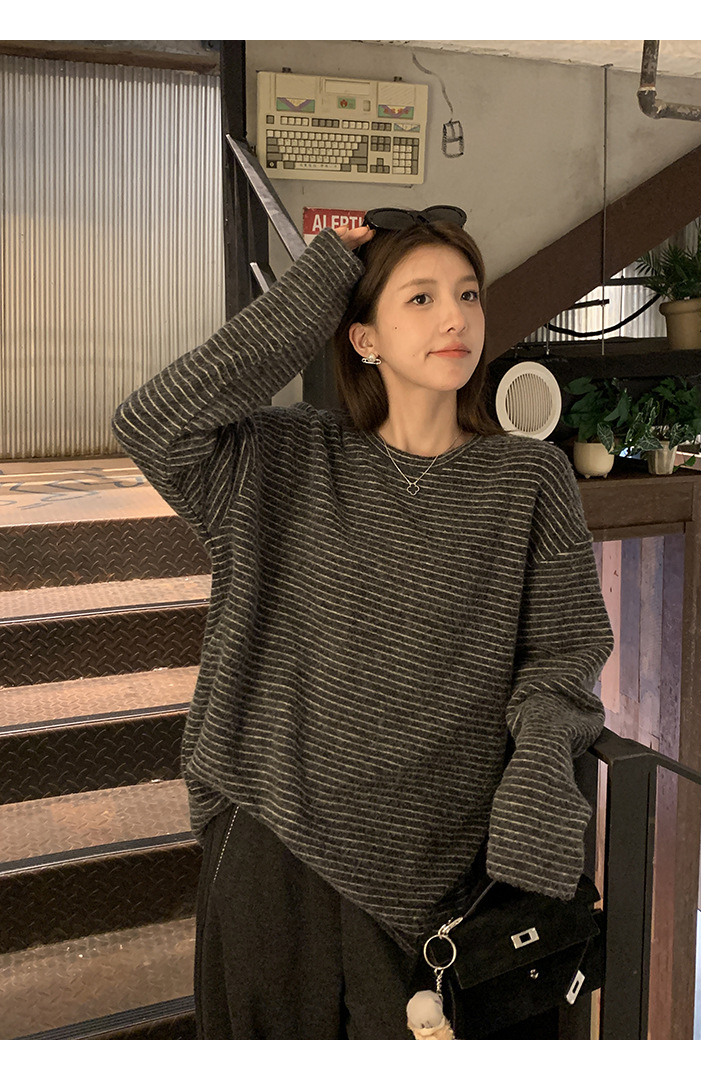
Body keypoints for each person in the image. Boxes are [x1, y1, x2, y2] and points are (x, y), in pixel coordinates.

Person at [111, 205, 615, 1040]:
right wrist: (318, 284)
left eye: (468, 294)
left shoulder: (528, 478)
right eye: (421, 298)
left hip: (446, 863)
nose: (456, 317)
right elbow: (153, 423)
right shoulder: (283, 457)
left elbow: (566, 650)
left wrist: (539, 768)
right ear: (362, 338)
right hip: (276, 843)